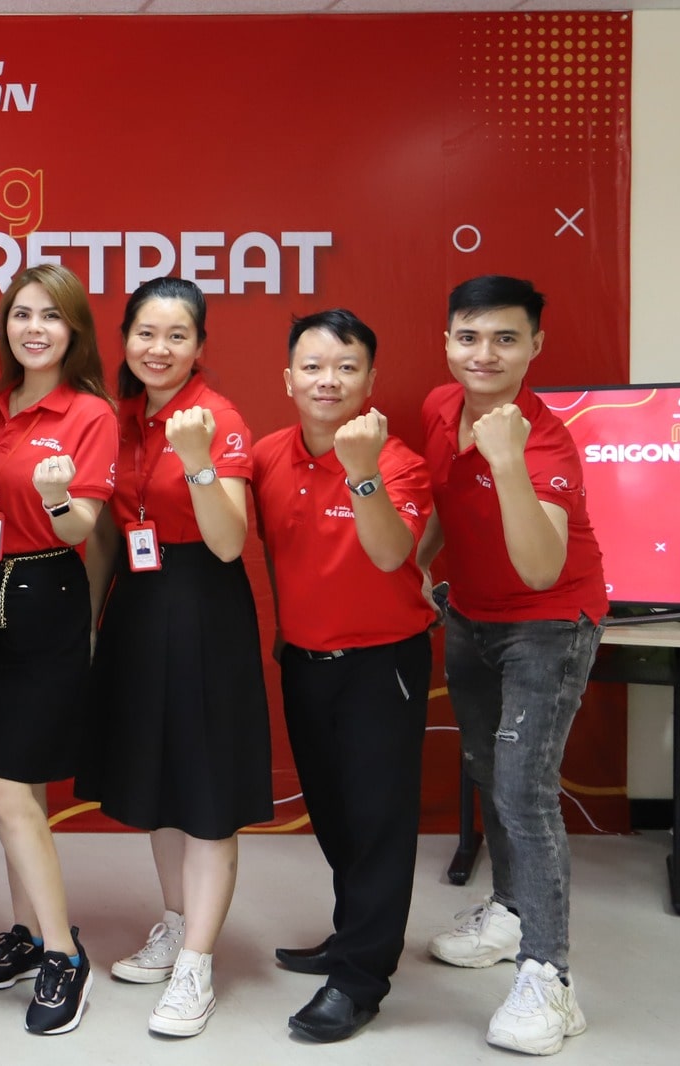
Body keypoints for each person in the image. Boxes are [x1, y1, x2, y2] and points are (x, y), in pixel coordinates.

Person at [416, 275, 607, 1056]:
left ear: (535, 346)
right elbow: (441, 500)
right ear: (448, 342)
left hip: (548, 624)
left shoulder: (546, 441)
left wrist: (508, 463)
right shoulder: (440, 407)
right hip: (472, 616)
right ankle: (510, 912)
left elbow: (540, 567)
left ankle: (549, 976)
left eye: (505, 338)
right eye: (469, 337)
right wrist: (419, 564)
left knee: (525, 790)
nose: (484, 354)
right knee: (488, 772)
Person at [0, 263, 119, 1036]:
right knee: (19, 790)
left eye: (50, 316)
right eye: (21, 314)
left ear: (74, 330)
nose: (33, 328)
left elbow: (82, 527)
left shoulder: (91, 413)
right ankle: (30, 930)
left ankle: (64, 955)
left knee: (3, 789)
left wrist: (54, 496)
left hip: (43, 595)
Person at [82, 275, 269, 1038]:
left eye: (177, 336)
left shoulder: (218, 419)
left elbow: (228, 542)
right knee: (158, 782)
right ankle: (176, 922)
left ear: (199, 345)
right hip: (138, 601)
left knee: (205, 794)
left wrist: (195, 459)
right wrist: (94, 620)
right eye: (146, 333)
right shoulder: (119, 417)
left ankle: (197, 965)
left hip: (202, 607)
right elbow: (106, 529)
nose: (158, 349)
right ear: (126, 338)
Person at [251, 310, 435, 1043]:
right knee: (332, 814)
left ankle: (360, 979)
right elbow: (274, 551)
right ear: (288, 378)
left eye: (346, 367)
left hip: (380, 666)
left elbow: (391, 555)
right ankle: (354, 932)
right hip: (305, 662)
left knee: (378, 823)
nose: (328, 381)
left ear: (370, 380)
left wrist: (361, 474)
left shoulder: (399, 461)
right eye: (313, 367)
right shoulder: (267, 455)